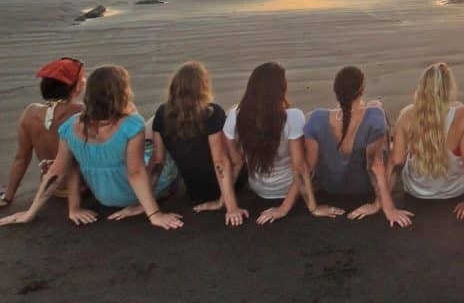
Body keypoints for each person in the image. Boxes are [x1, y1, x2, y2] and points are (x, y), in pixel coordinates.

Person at [0, 65, 183, 230]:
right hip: (132, 193)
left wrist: (29, 213)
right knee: (164, 132)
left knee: (152, 124)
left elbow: (57, 171)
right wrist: (153, 214)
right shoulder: (132, 123)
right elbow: (135, 172)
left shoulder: (70, 126)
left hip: (103, 196)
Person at [378, 62, 464, 225]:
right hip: (454, 190)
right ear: (449, 88)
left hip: (417, 191)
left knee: (396, 148)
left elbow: (395, 161)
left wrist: (382, 203)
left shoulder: (407, 115)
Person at [223, 62, 344, 224]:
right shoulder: (292, 117)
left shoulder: (234, 116)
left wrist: (228, 205)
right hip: (288, 187)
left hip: (258, 187)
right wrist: (287, 208)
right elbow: (299, 167)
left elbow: (234, 162)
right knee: (314, 129)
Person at [303, 65, 414, 227]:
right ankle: (386, 141)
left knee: (315, 121)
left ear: (336, 92)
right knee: (376, 105)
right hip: (364, 187)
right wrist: (386, 207)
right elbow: (375, 166)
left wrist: (313, 207)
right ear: (361, 90)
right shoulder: (374, 117)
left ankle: (349, 112)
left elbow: (307, 168)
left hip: (330, 187)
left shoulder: (316, 118)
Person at [151, 61, 248, 226]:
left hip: (195, 192)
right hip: (228, 185)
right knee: (234, 119)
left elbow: (158, 160)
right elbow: (220, 161)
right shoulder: (212, 113)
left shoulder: (161, 113)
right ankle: (225, 198)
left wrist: (146, 202)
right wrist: (230, 207)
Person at [1, 58, 86, 208]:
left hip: (51, 188)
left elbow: (21, 158)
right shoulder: (81, 111)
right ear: (77, 86)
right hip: (81, 188)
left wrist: (8, 196)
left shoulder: (30, 113)